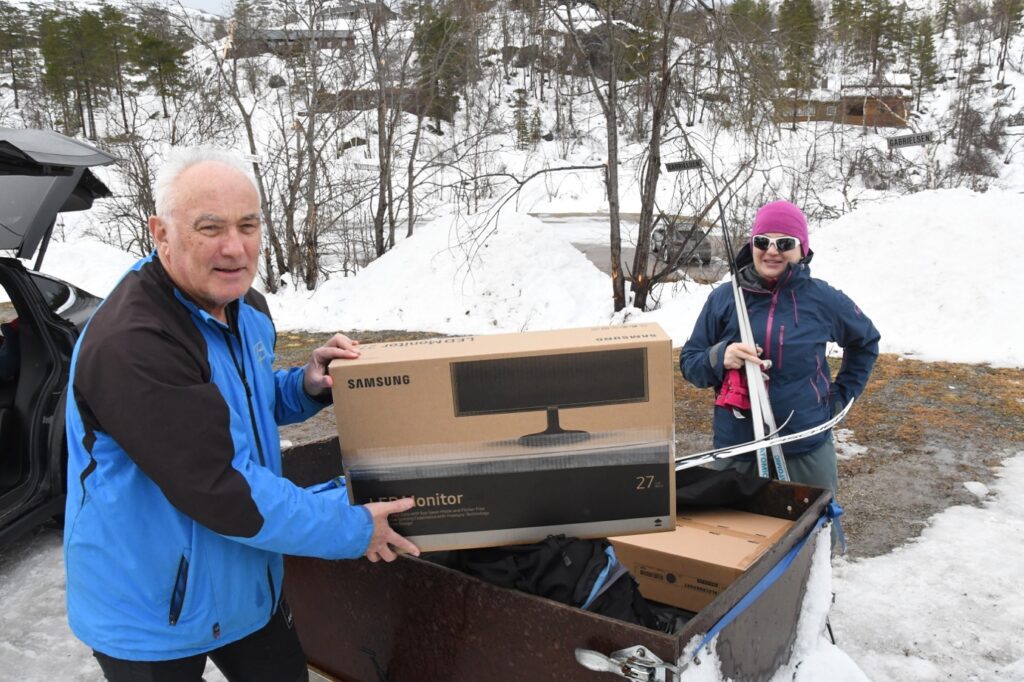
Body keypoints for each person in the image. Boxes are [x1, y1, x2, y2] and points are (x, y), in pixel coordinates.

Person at [63, 148, 419, 682]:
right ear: (160, 233)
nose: (235, 248)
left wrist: (304, 386)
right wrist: (350, 527)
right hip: (150, 607)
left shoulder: (243, 304)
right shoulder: (133, 343)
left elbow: (234, 404)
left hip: (246, 583)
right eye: (210, 228)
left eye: (248, 225)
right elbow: (223, 486)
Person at [679, 200, 880, 502]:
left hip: (804, 446)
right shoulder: (724, 299)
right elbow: (690, 362)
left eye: (784, 243)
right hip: (738, 449)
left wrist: (838, 399)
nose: (772, 251)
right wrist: (721, 357)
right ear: (752, 246)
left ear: (801, 250)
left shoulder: (823, 299)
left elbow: (865, 342)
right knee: (737, 539)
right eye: (763, 241)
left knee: (811, 533)